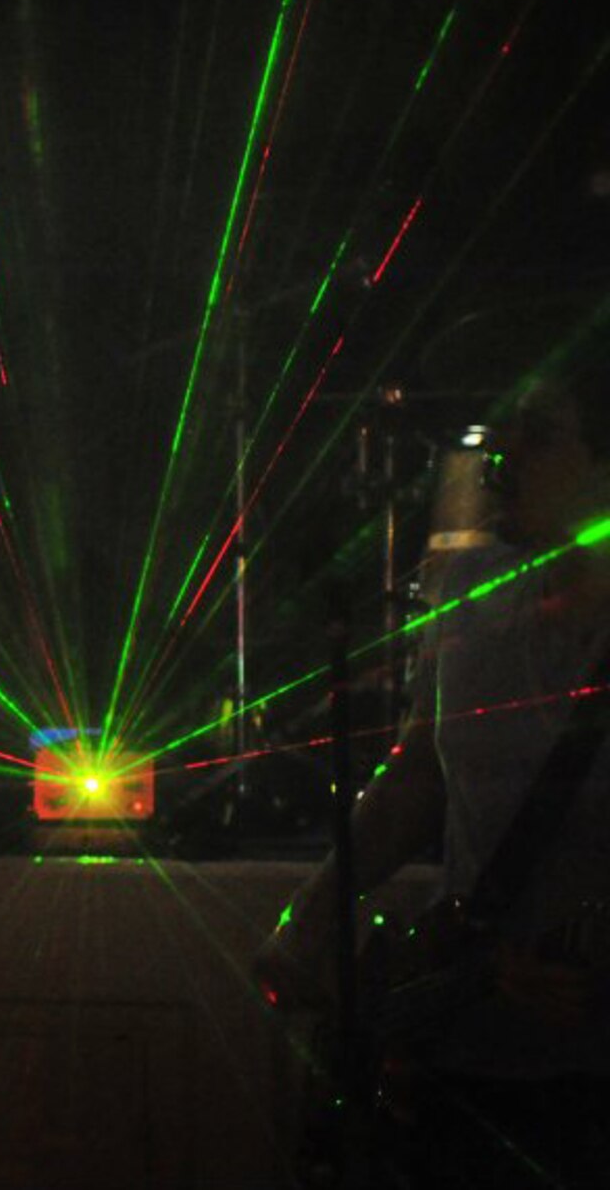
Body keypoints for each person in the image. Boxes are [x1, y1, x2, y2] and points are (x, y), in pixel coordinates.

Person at [256, 324, 610, 1188]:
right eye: (509, 428)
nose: (506, 455)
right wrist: (315, 916)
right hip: (466, 1049)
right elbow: (419, 772)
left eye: (542, 434)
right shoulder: (468, 592)